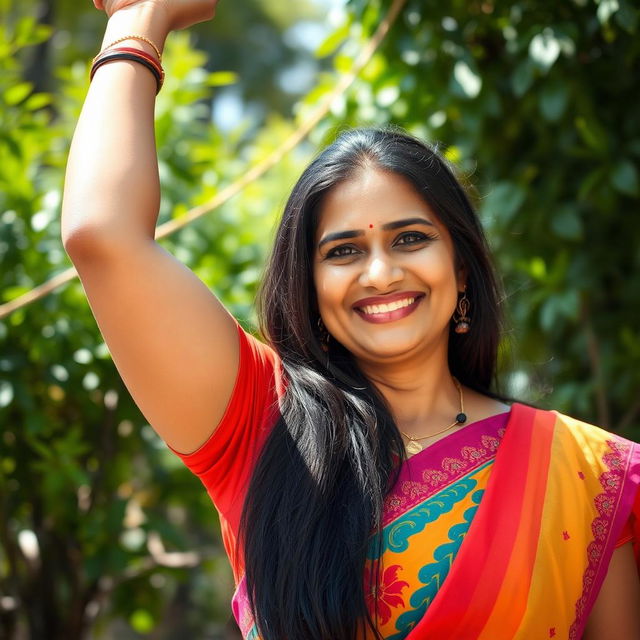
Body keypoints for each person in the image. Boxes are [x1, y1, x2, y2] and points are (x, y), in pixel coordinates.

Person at [61, 1, 640, 638]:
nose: (380, 273)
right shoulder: (262, 422)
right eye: (343, 251)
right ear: (307, 287)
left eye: (411, 238)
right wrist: (141, 18)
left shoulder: (590, 474)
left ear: (464, 266)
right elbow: (102, 236)